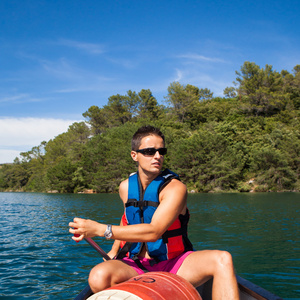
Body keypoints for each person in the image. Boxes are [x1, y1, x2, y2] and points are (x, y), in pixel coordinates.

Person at [69, 125, 240, 299]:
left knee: (222, 259)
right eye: (150, 151)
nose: (157, 156)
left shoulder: (175, 189)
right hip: (135, 264)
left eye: (161, 151)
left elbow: (154, 231)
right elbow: (126, 219)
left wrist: (100, 229)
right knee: (98, 277)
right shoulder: (125, 187)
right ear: (134, 155)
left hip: (175, 264)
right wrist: (114, 250)